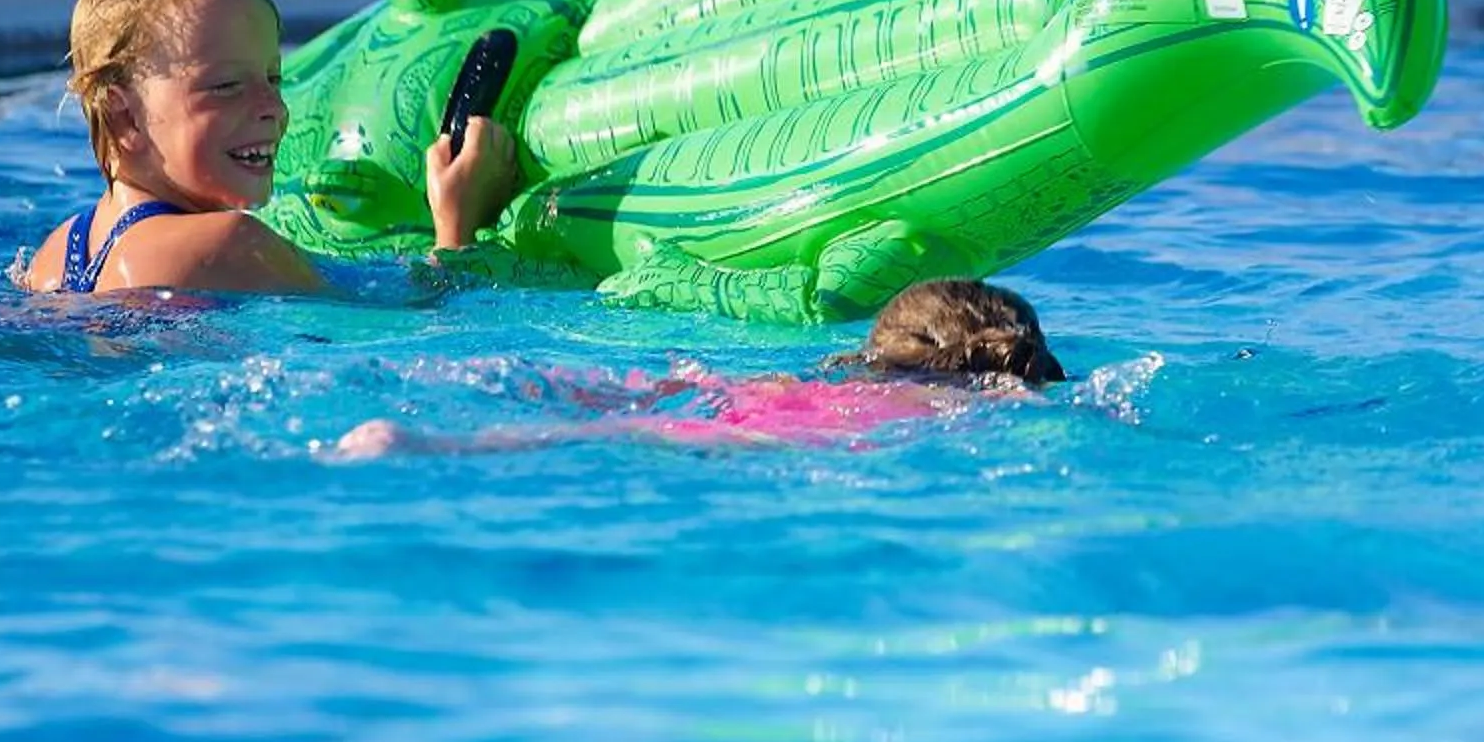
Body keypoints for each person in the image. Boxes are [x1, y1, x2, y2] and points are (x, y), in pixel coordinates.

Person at [15, 0, 513, 298]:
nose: (272, 107)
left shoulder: (55, 255)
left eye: (274, 78)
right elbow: (416, 320)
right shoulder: (230, 244)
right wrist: (456, 224)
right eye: (226, 87)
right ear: (126, 116)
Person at [332, 277, 1067, 457]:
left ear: (873, 352)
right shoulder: (988, 408)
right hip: (781, 448)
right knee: (610, 435)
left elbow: (680, 384)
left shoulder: (792, 383)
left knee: (612, 417)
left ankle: (435, 437)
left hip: (752, 413)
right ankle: (436, 447)